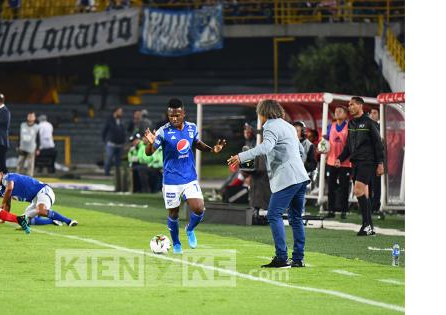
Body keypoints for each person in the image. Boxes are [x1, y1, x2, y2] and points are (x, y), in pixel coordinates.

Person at [227, 100, 310, 268]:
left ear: (264, 113)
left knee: (273, 214)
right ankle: (298, 258)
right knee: (296, 217)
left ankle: (281, 257)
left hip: (288, 178)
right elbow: (301, 150)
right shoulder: (289, 126)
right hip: (301, 177)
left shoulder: (270, 126)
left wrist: (242, 156)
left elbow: (266, 147)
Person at [143, 98, 226, 254]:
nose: (174, 119)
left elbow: (196, 143)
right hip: (171, 180)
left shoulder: (192, 128)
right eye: (171, 116)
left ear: (183, 113)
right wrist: (149, 143)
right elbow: (149, 152)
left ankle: (190, 229)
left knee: (199, 208)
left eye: (177, 115)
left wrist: (211, 150)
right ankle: (176, 243)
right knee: (174, 213)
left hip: (189, 177)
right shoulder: (163, 131)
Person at [335, 97, 385, 236]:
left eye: (352, 104)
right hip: (355, 162)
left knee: (357, 190)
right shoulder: (351, 123)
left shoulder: (370, 123)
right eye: (348, 105)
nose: (349, 107)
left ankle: (367, 225)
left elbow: (378, 144)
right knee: (365, 193)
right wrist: (340, 158)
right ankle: (369, 227)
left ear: (360, 105)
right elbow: (348, 146)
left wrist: (380, 163)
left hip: (367, 162)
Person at [0, 169, 78, 227]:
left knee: (41, 210)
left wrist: (1, 204)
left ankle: (69, 221)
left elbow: (10, 188)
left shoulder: (8, 177)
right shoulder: (2, 189)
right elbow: (7, 205)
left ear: (1, 174)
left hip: (43, 191)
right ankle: (53, 221)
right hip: (35, 199)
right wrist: (3, 220)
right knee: (24, 221)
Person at [325, 106, 352, 219]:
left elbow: (350, 145)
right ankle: (331, 210)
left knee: (344, 187)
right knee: (331, 187)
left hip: (345, 163)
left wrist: (341, 158)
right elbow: (325, 142)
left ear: (346, 114)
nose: (337, 113)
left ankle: (343, 211)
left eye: (340, 111)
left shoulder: (349, 127)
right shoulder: (330, 126)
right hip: (331, 162)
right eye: (336, 111)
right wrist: (321, 148)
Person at [102, 107, 127, 176]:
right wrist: (105, 141)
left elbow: (124, 132)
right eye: (120, 111)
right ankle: (106, 174)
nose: (121, 113)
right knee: (109, 159)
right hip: (111, 144)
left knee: (118, 161)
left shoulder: (121, 120)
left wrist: (124, 141)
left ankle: (117, 175)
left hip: (120, 144)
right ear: (115, 112)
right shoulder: (109, 120)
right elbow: (104, 131)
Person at [368, 108, 382, 216]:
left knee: (376, 184)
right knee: (367, 184)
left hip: (377, 160)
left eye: (375, 113)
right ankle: (368, 206)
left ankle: (376, 206)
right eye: (371, 113)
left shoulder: (381, 128)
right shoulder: (366, 127)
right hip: (367, 160)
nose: (372, 115)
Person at [17, 112, 39, 177]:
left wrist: (38, 149)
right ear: (27, 117)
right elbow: (19, 136)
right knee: (20, 163)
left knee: (30, 165)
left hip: (31, 148)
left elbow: (38, 138)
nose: (30, 118)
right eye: (29, 116)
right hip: (22, 147)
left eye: (32, 116)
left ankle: (29, 179)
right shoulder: (22, 125)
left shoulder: (36, 127)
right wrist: (18, 145)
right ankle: (18, 178)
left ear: (34, 118)